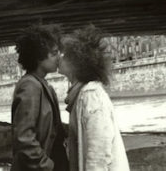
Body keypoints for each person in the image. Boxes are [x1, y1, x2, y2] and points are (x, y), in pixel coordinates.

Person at [59, 25, 130, 171]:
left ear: (76, 63)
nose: (60, 58)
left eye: (65, 56)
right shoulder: (83, 94)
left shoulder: (91, 96)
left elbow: (99, 152)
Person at [11, 25, 69, 171]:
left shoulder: (40, 83)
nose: (58, 57)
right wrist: (47, 165)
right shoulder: (30, 86)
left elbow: (52, 126)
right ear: (38, 56)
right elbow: (24, 138)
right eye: (54, 53)